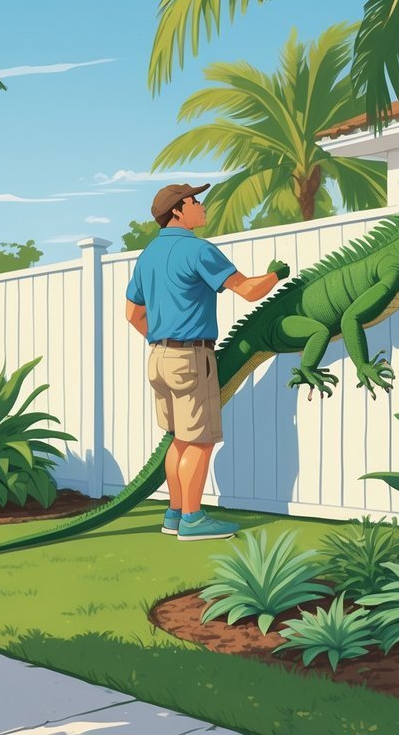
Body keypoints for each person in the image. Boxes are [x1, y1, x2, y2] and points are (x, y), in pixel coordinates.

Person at [124, 183, 290, 540]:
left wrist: (164, 339)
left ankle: (174, 514)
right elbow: (248, 290)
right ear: (178, 211)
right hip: (191, 357)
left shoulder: (148, 256)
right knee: (199, 441)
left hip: (158, 358)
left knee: (177, 439)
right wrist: (276, 274)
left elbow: (133, 314)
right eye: (195, 201)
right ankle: (194, 520)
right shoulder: (197, 251)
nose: (202, 206)